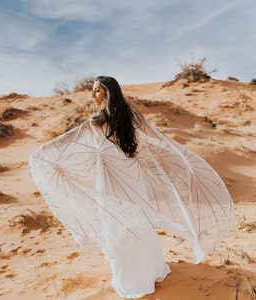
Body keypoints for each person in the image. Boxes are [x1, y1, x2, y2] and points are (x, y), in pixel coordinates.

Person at [29, 76, 234, 298]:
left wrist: (40, 156)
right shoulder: (130, 116)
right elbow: (155, 138)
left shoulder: (97, 121)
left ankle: (133, 279)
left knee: (122, 223)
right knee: (139, 221)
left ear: (108, 92)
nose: (92, 95)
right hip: (131, 176)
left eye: (97, 91)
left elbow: (68, 143)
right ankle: (151, 270)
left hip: (112, 181)